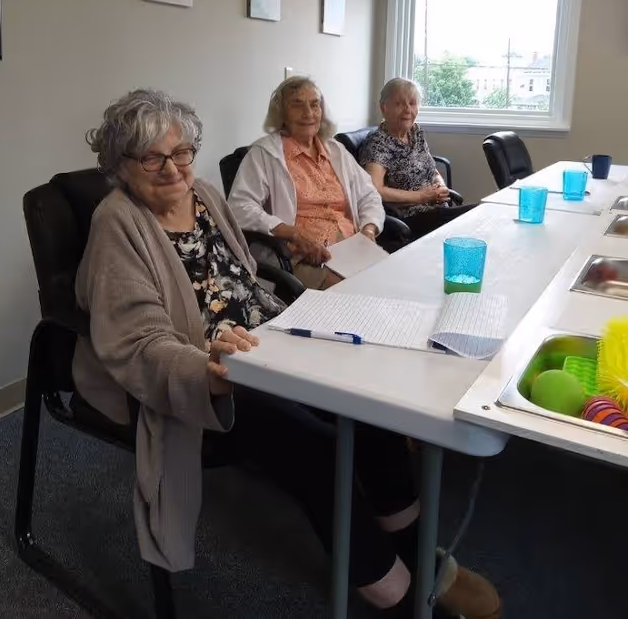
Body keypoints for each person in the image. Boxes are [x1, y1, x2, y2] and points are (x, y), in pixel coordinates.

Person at [74, 88, 499, 619]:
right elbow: (136, 340)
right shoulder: (117, 222)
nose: (172, 168)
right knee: (314, 448)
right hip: (209, 370)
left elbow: (247, 276)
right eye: (152, 157)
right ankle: (394, 592)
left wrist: (298, 313)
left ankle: (417, 552)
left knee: (373, 405)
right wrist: (205, 369)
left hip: (271, 335)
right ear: (120, 165)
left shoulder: (203, 193)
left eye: (181, 152)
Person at [228, 77, 385, 290]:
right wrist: (292, 233)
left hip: (352, 249)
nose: (308, 113)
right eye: (297, 104)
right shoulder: (263, 155)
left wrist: (368, 230)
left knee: (391, 283)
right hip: (302, 257)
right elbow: (239, 208)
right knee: (357, 294)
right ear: (282, 114)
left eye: (314, 104)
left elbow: (369, 194)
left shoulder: (335, 150)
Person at [360, 78, 475, 240]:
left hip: (436, 208)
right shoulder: (378, 142)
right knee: (476, 214)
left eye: (412, 103)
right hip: (411, 216)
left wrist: (440, 187)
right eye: (399, 104)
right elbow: (375, 189)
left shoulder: (415, 132)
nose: (408, 110)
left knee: (476, 219)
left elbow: (431, 169)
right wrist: (422, 196)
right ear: (384, 108)